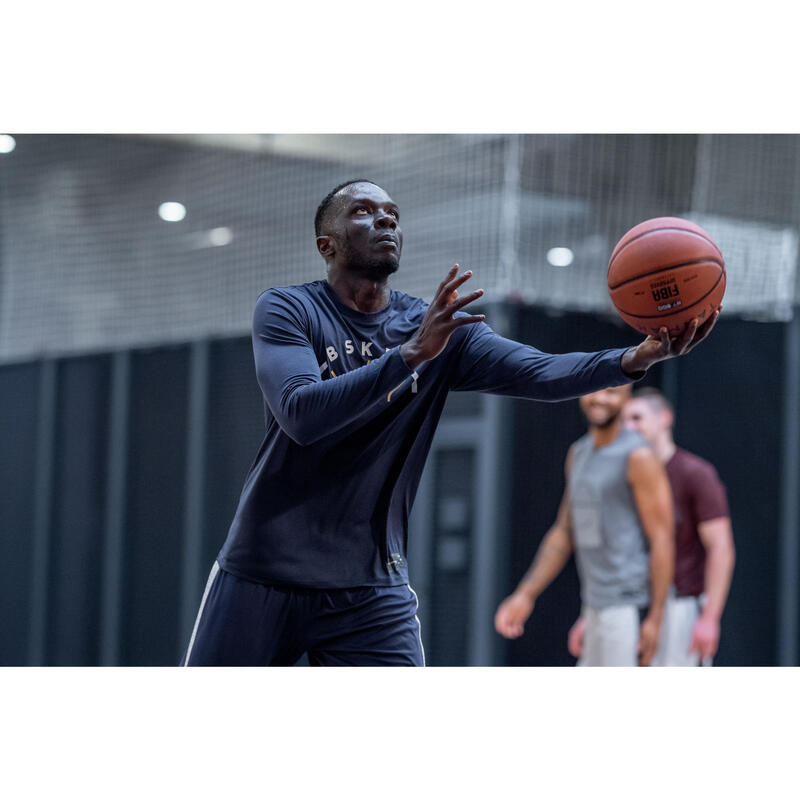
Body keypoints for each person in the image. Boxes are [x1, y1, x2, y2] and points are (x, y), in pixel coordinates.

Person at [183, 178, 717, 667]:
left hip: (370, 587)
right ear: (328, 245)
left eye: (392, 213)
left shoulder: (434, 327)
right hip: (264, 571)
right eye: (365, 212)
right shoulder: (288, 309)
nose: (386, 220)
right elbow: (301, 414)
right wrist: (409, 356)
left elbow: (540, 372)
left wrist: (633, 359)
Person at [494, 384, 675, 666]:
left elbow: (662, 540)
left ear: (627, 399)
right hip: (594, 604)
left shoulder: (639, 456)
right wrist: (525, 594)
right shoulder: (578, 453)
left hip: (629, 606)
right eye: (594, 389)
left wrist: (655, 618)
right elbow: (565, 532)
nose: (600, 398)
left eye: (612, 392)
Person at [566, 388, 735, 666]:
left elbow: (721, 547)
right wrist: (592, 614)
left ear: (664, 418)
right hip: (626, 603)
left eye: (637, 418)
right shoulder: (622, 470)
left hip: (677, 604)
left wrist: (710, 617)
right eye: (625, 419)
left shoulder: (695, 473)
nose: (629, 426)